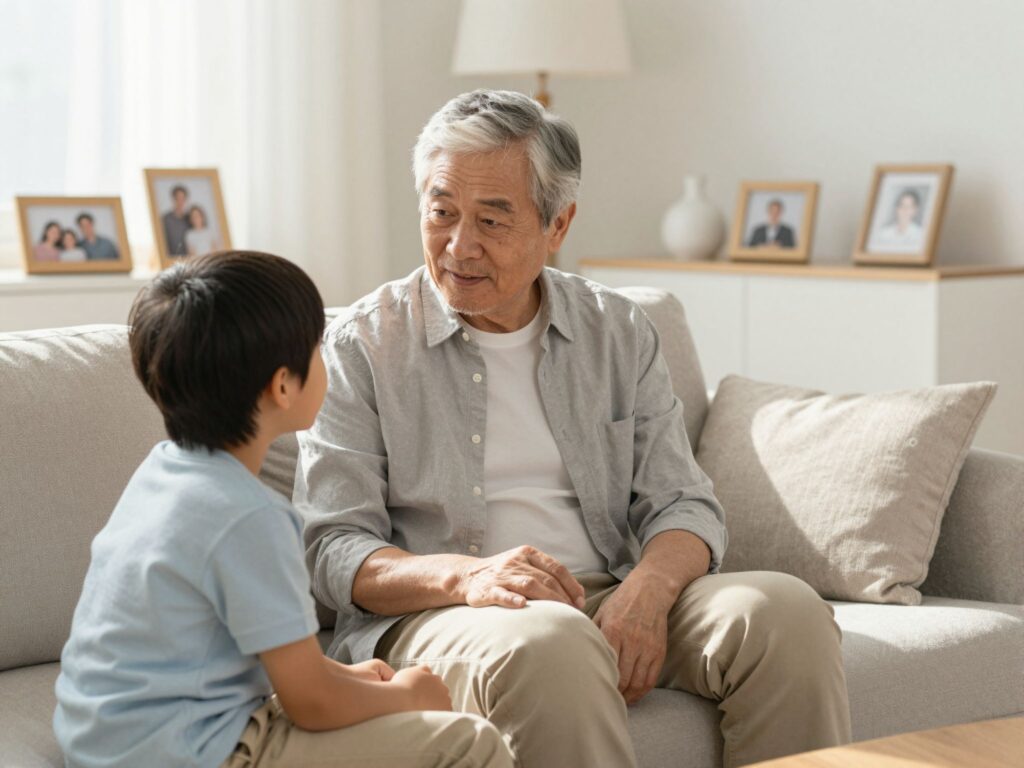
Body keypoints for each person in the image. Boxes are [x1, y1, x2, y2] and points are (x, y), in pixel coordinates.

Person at [296, 89, 851, 768]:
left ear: (557, 227)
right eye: (441, 213)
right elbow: (333, 549)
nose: (458, 245)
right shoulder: (361, 345)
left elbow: (682, 501)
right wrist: (468, 578)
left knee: (785, 614)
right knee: (553, 644)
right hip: (444, 614)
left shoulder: (616, 331)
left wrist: (646, 592)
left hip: (608, 587)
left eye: (492, 221)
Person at [53, 251, 514, 768]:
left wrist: (348, 678)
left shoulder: (161, 476)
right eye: (318, 350)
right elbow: (311, 703)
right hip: (190, 754)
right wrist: (407, 696)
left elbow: (277, 662)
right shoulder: (251, 518)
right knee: (469, 741)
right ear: (282, 385)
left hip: (109, 746)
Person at [162, 185, 191, 256]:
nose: (180, 202)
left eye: (183, 199)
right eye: (178, 198)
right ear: (173, 199)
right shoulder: (165, 219)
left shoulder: (190, 219)